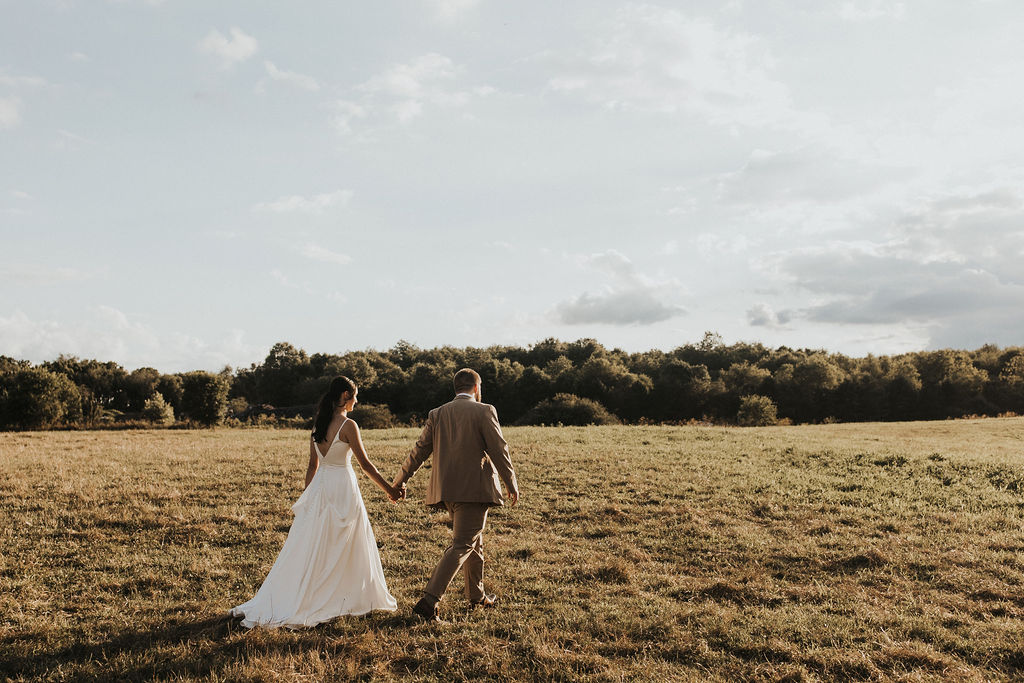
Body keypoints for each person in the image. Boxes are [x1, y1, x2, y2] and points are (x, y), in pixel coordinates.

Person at [231, 376, 404, 628]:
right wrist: (390, 490)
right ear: (345, 395)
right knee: (346, 540)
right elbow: (365, 465)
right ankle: (341, 594)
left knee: (317, 541)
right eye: (355, 395)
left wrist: (308, 498)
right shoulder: (348, 426)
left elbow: (312, 466)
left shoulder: (318, 425)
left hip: (322, 486)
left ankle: (328, 591)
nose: (357, 400)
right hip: (342, 486)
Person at [392, 368, 520, 623]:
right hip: (474, 490)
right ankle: (429, 603)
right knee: (462, 544)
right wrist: (511, 482)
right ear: (476, 388)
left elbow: (419, 451)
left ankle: (477, 596)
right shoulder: (485, 411)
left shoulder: (437, 413)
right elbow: (499, 449)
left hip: (447, 490)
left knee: (474, 541)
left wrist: (400, 480)